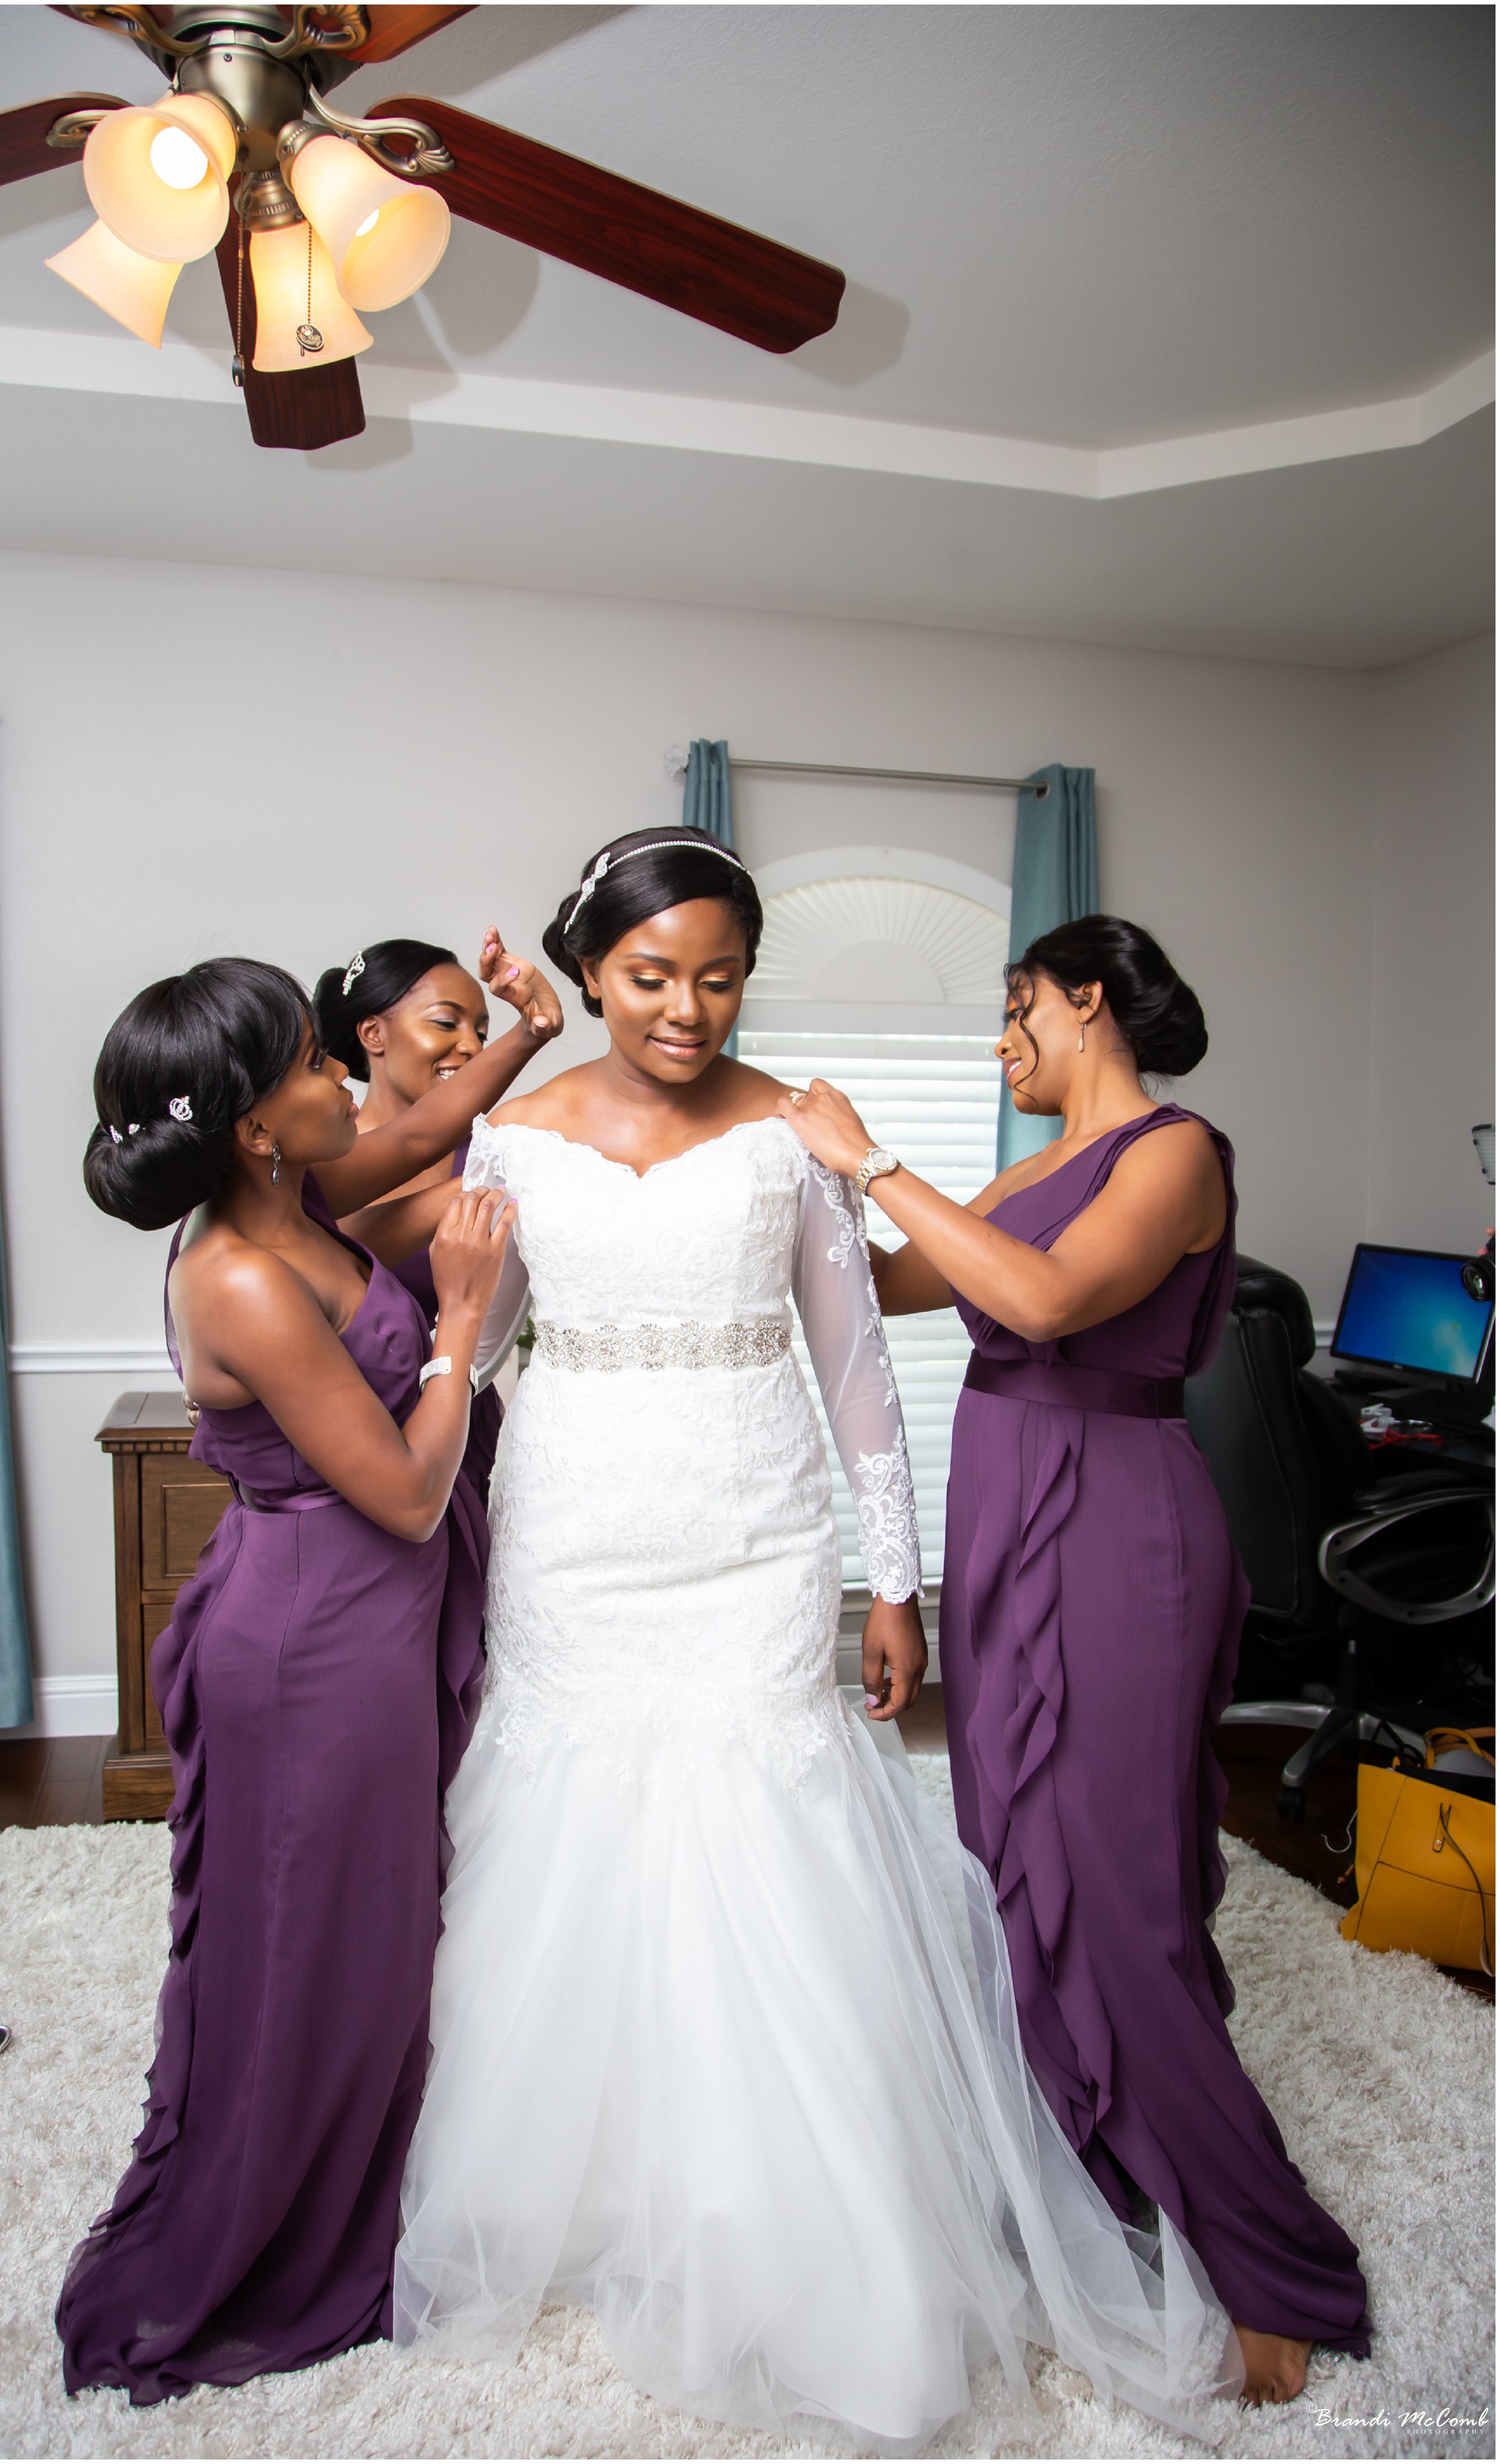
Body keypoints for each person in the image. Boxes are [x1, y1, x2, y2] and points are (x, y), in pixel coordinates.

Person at [390, 831, 1241, 2451]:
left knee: (765, 1825)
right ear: (591, 975)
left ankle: (802, 2210)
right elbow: (480, 1341)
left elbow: (855, 1369)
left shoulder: (796, 1130)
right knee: (570, 1819)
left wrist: (891, 1584)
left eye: (719, 979)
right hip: (578, 1520)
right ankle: (600, 2177)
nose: (686, 1009)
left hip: (753, 1527)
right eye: (651, 977)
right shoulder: (514, 1132)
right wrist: (430, 1329)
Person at [778, 913, 1369, 2408]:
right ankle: (1094, 2165)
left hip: (1117, 1525)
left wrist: (868, 1158)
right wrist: (781, 1184)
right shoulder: (1032, 1169)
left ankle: (1266, 2258)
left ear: (1087, 1000)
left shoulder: (1175, 1154)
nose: (1002, 1041)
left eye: (1016, 1009)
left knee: (1116, 1894)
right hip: (1004, 1514)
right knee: (1017, 1857)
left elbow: (1042, 1301)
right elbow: (902, 1285)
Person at [57, 937, 560, 2402]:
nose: (344, 1073)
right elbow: (402, 1491)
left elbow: (430, 1116)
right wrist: (459, 1320)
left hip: (361, 1621)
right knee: (315, 1946)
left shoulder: (297, 1192)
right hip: (313, 1640)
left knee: (381, 1927)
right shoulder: (239, 1275)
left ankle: (374, 2180)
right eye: (308, 1060)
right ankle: (276, 2235)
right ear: (255, 1125)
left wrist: (528, 1030)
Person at [313, 936, 507, 1500]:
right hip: (334, 1428)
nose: (471, 1047)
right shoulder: (314, 1160)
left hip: (458, 1418)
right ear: (373, 1034)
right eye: (447, 1023)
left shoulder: (493, 1156)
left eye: (482, 1032)